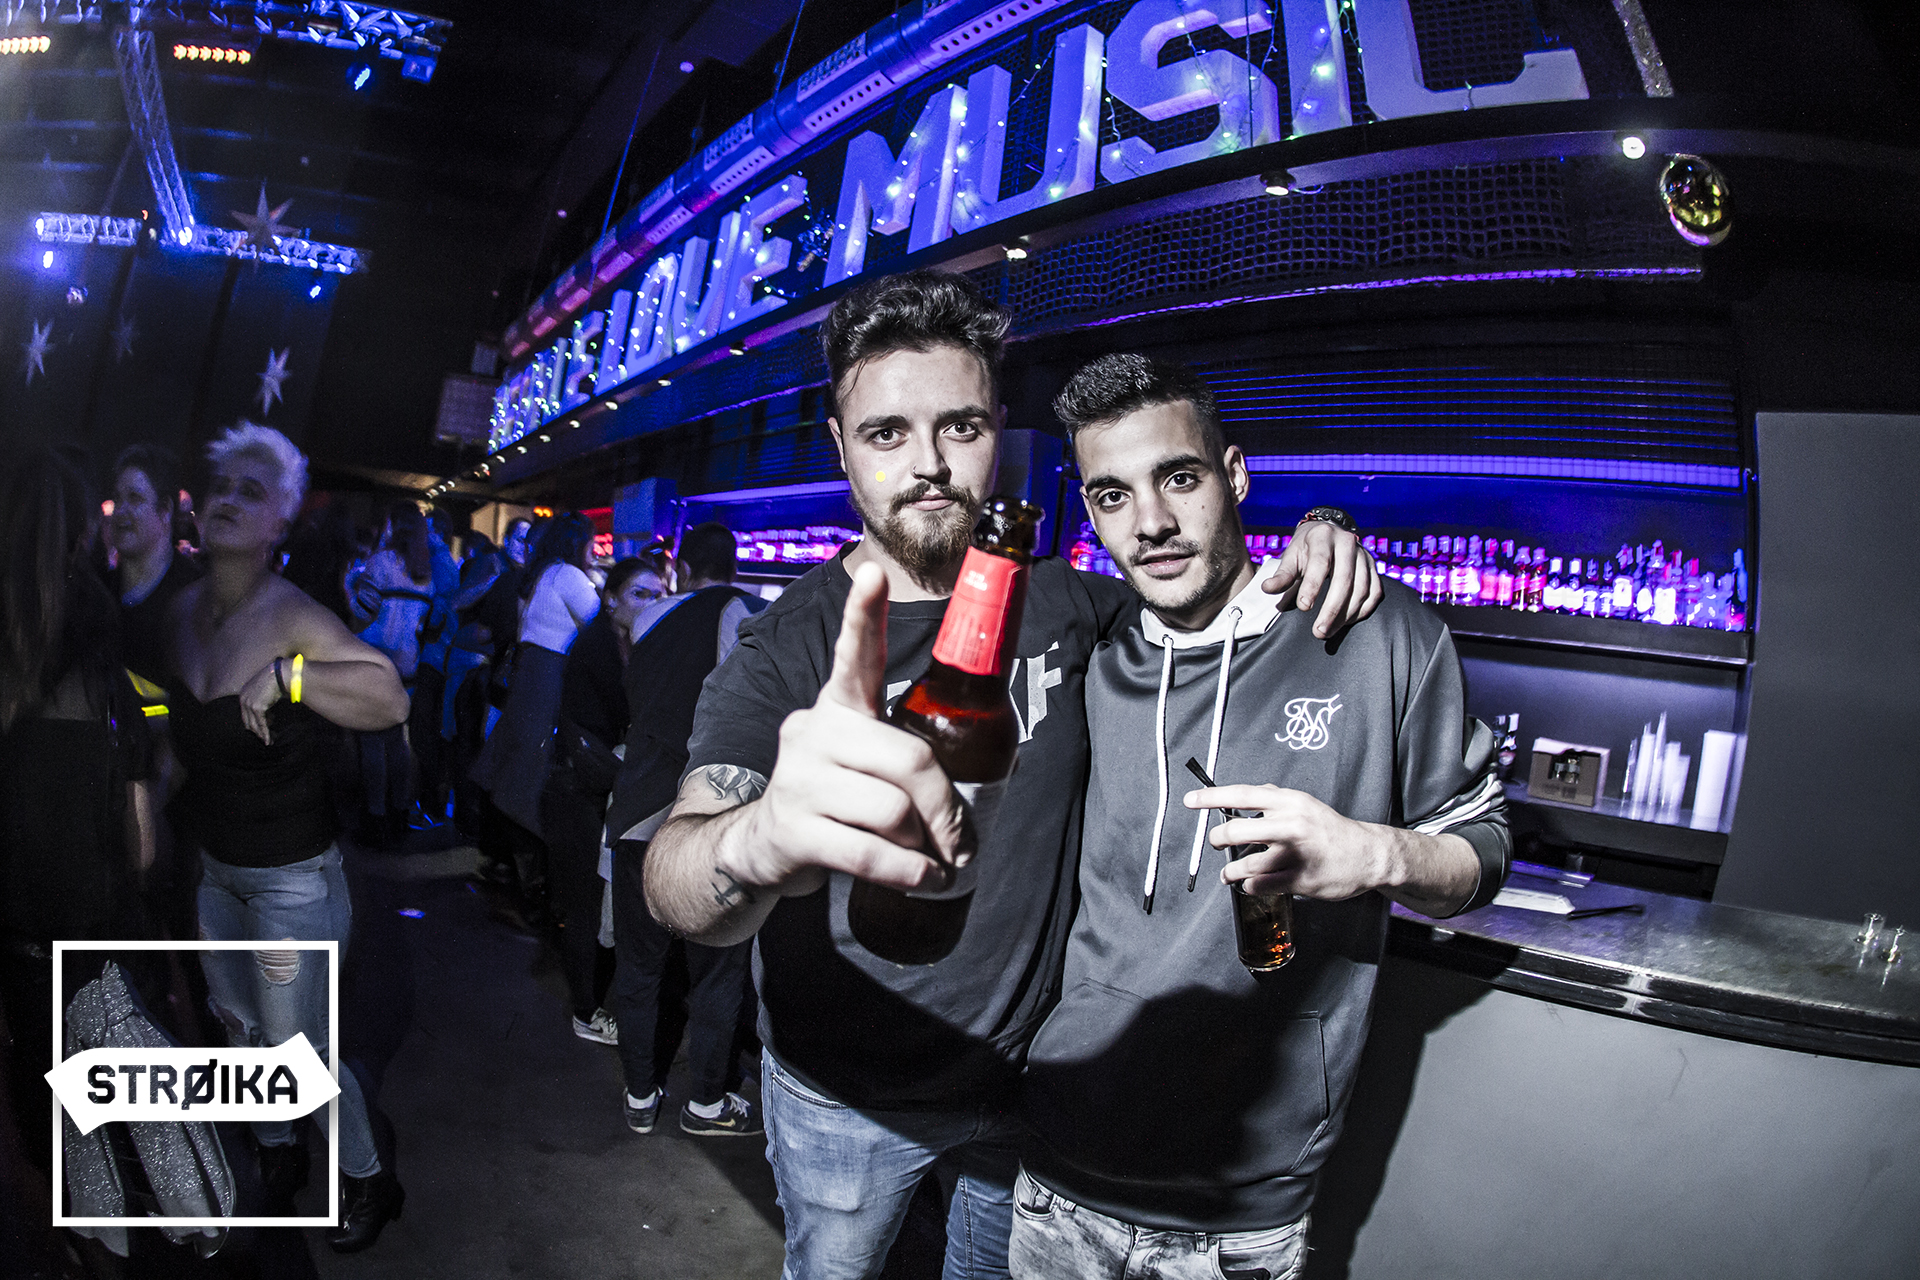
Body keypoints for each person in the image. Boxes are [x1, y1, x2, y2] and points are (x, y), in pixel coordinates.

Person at [641, 269, 1381, 1280]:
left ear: (998, 430)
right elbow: (677, 880)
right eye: (887, 432)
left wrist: (1322, 528)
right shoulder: (786, 650)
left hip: (1029, 1087)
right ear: (841, 447)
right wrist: (758, 839)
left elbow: (1216, 599)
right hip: (845, 1098)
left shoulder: (1073, 605)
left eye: (960, 426)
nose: (929, 464)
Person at [1009, 356, 1509, 1278]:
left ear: (1234, 475)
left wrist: (1375, 856)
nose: (1150, 523)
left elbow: (1483, 850)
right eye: (1112, 495)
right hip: (1057, 1171)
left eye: (1179, 478)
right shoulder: (1094, 651)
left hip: (1242, 1211)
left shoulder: (1374, 635)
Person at [164, 422, 412, 1252]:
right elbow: (177, 739)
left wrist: (292, 675)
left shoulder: (295, 615)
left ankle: (368, 1176)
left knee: (299, 1047)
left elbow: (389, 698)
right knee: (239, 1028)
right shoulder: (180, 614)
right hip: (216, 872)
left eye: (252, 490)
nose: (228, 500)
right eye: (220, 486)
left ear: (280, 520)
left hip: (293, 881)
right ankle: (279, 1152)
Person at [1, 450, 156, 1192]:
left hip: (20, 934)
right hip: (88, 929)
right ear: (78, 539)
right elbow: (141, 843)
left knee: (40, 1096)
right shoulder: (104, 666)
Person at [605, 523, 769, 1137]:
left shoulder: (647, 618)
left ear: (682, 569)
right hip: (708, 822)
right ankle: (706, 1102)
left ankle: (639, 1096)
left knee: (639, 968)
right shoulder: (748, 612)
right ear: (734, 564)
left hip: (636, 815)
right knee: (717, 971)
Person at [541, 556, 666, 1044]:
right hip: (577, 791)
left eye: (658, 594)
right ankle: (585, 1011)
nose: (650, 602)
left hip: (599, 787)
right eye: (639, 593)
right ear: (611, 599)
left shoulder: (633, 645)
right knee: (586, 904)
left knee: (595, 901)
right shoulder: (595, 649)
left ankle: (591, 999)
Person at [470, 511, 599, 908]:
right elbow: (601, 626)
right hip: (547, 682)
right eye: (591, 543)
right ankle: (536, 888)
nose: (594, 551)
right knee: (531, 778)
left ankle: (520, 875)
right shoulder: (568, 576)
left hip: (529, 680)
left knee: (515, 772)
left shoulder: (542, 574)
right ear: (578, 543)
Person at [351, 502, 437, 846]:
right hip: (408, 665)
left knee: (372, 741)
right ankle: (400, 813)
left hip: (375, 660)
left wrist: (348, 588)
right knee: (398, 741)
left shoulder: (382, 562)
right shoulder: (425, 569)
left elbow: (363, 611)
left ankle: (375, 818)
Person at [105, 444, 202, 689]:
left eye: (134, 498)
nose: (121, 511)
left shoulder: (195, 598)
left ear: (165, 510)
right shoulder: (100, 590)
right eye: (117, 499)